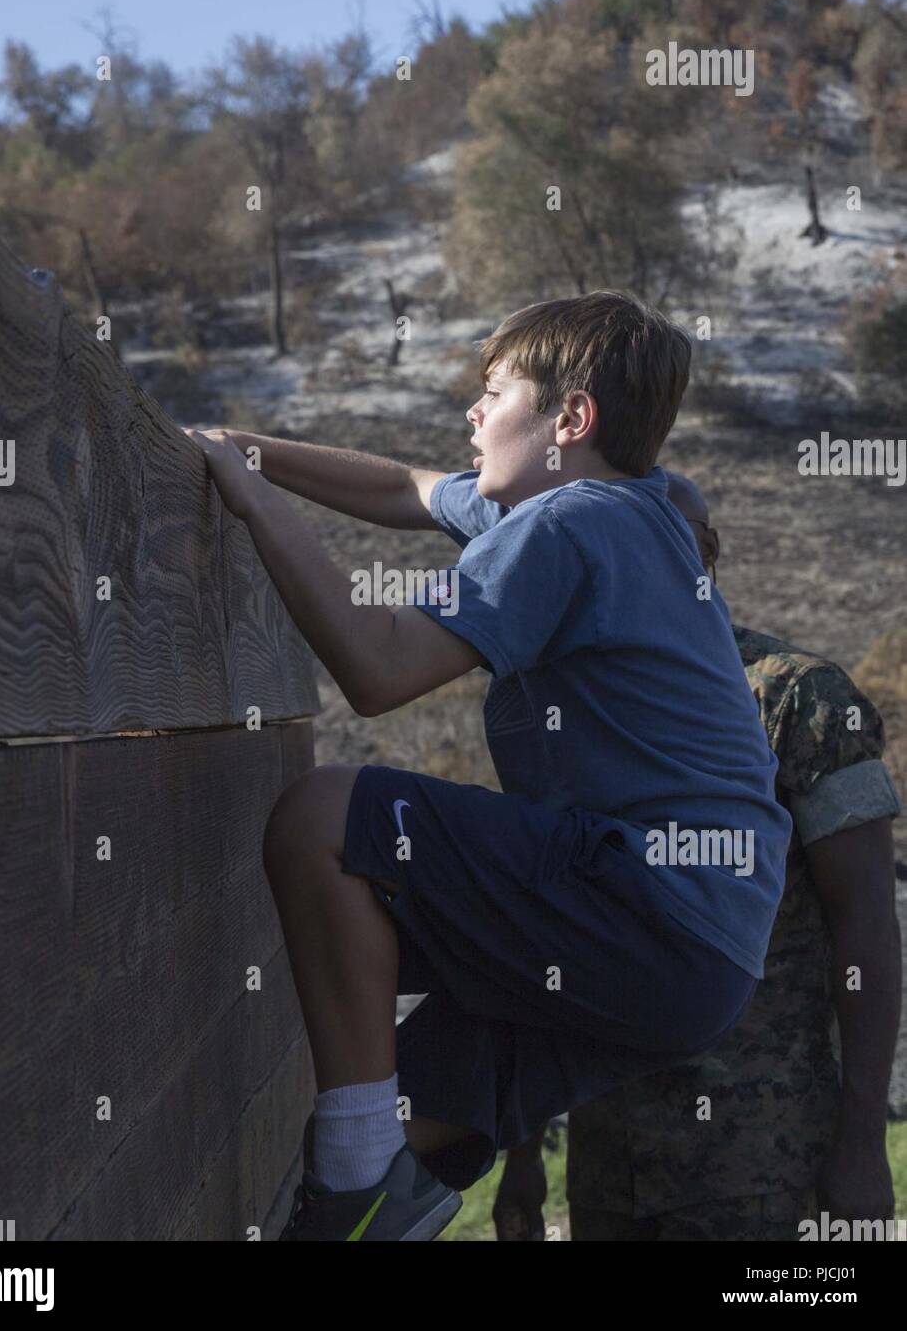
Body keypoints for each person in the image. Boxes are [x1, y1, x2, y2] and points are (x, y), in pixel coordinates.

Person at [185, 291, 791, 1241]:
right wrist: (242, 446)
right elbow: (407, 488)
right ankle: (366, 1197)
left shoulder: (571, 525)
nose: (473, 412)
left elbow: (378, 671)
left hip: (648, 899)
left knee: (323, 825)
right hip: (703, 956)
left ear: (571, 420)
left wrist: (249, 497)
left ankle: (358, 1182)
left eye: (496, 391)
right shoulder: (620, 508)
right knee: (406, 1120)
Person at [494, 472, 902, 1242]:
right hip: (610, 1160)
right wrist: (523, 1153)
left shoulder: (798, 699)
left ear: (704, 552)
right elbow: (543, 941)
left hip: (760, 1166)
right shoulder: (576, 711)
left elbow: (868, 931)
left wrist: (863, 1144)